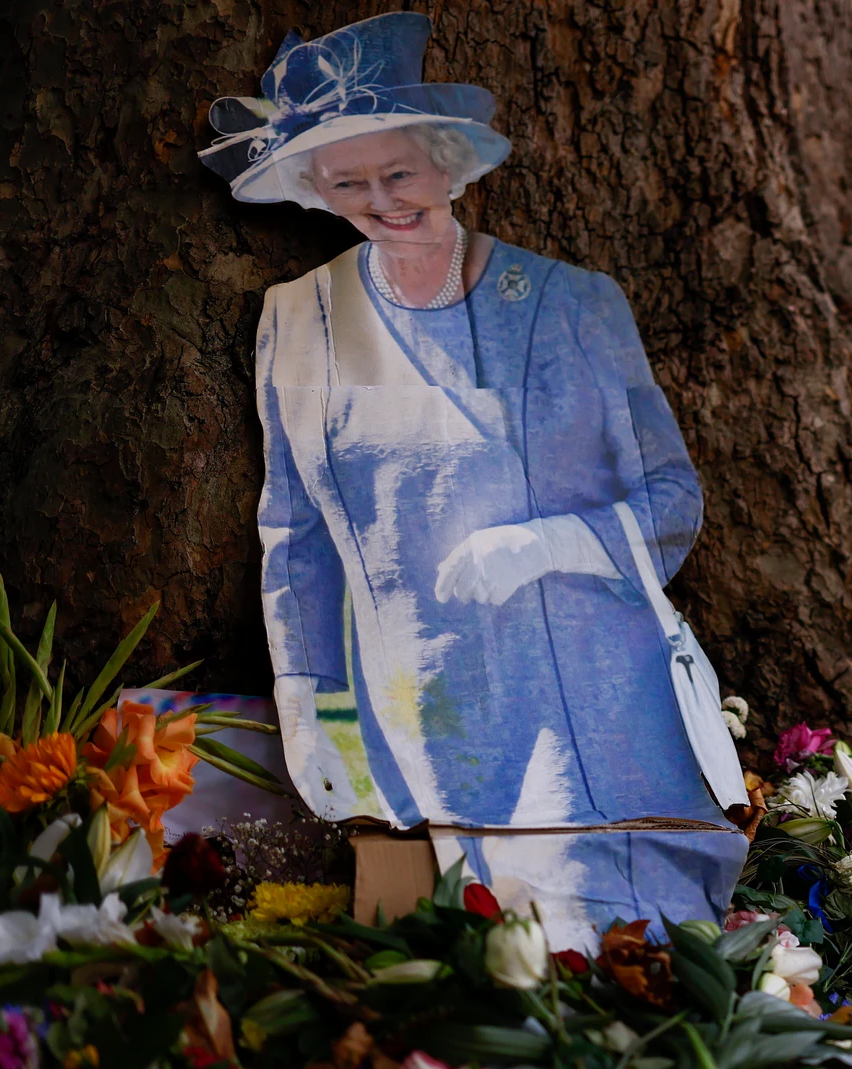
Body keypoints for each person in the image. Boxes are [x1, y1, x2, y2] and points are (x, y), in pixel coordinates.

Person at [198, 13, 747, 949]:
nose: (381, 198)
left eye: (399, 172)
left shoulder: (575, 303)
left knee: (606, 971)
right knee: (460, 987)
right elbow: (295, 535)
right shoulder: (296, 318)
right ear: (314, 190)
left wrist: (545, 543)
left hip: (590, 719)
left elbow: (671, 500)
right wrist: (309, 700)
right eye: (348, 180)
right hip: (417, 719)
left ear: (447, 165)